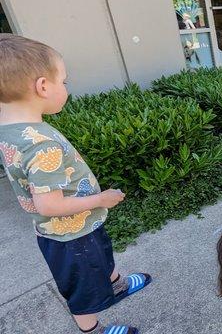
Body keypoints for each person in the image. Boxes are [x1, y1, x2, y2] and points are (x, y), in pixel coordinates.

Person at [0, 34, 151, 334]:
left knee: (103, 259)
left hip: (73, 229)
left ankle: (116, 286)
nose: (66, 87)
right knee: (84, 292)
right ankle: (92, 328)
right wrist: (100, 199)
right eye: (64, 81)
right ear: (43, 86)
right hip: (72, 237)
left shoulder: (12, 130)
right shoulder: (40, 145)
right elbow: (49, 204)